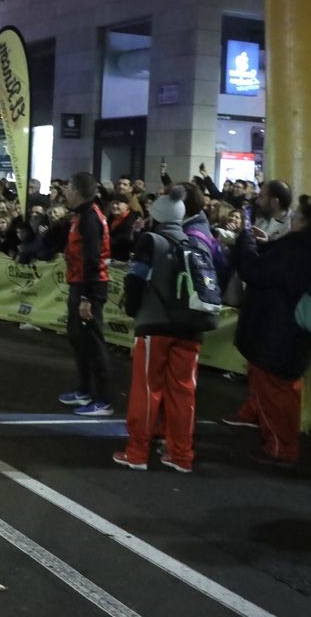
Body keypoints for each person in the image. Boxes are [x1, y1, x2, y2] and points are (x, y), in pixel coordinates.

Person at [226, 195, 311, 466]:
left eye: (298, 215)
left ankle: (281, 447)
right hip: (291, 330)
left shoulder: (297, 251)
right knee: (283, 388)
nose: (293, 218)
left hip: (277, 329)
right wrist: (268, 246)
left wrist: (245, 242)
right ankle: (280, 441)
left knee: (275, 391)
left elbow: (256, 271)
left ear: (307, 222)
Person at [113, 188, 207, 473]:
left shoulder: (150, 241)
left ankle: (138, 452)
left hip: (155, 325)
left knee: (147, 389)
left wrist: (132, 310)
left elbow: (135, 282)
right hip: (191, 328)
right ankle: (181, 455)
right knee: (183, 393)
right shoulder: (197, 242)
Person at [57, 172, 114, 416]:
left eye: (68, 186)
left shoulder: (90, 218)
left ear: (78, 191)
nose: (65, 192)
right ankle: (85, 390)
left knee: (93, 343)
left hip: (89, 287)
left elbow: (93, 259)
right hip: (80, 284)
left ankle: (102, 399)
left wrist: (86, 298)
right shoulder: (82, 216)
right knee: (78, 338)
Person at [105, 193, 142, 263]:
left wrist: (104, 240)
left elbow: (126, 239)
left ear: (127, 206)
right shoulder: (111, 217)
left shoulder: (133, 220)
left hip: (124, 260)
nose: (114, 206)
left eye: (117, 204)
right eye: (112, 203)